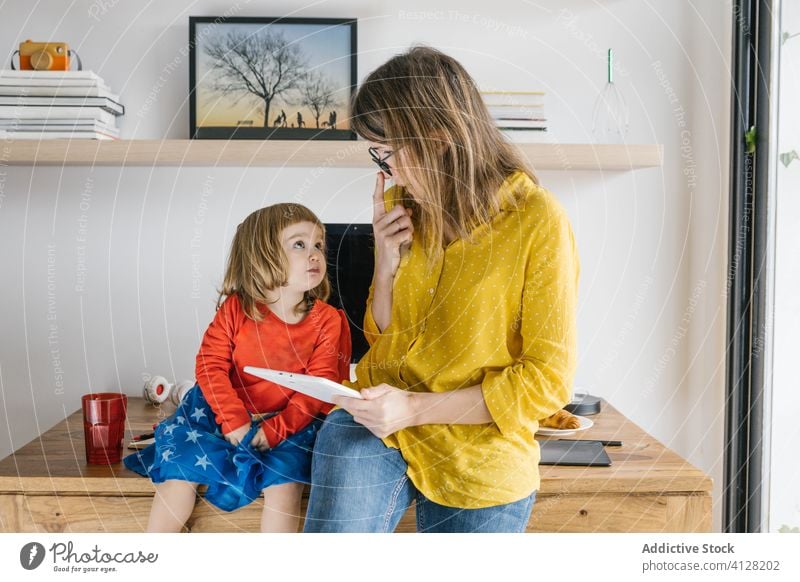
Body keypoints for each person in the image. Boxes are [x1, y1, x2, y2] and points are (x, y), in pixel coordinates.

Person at [303, 46, 580, 533]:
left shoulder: (538, 221)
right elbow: (389, 337)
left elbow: (546, 381)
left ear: (437, 137)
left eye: (387, 152)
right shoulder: (407, 206)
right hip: (380, 422)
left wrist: (413, 408)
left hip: (478, 448)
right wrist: (385, 266)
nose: (384, 170)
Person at [124, 203, 351, 532]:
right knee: (179, 472)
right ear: (262, 255)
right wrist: (233, 422)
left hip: (289, 423)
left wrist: (273, 433)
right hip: (219, 414)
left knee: (285, 486)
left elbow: (319, 390)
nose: (315, 254)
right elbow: (210, 365)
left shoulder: (328, 321)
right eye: (300, 244)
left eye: (319, 245)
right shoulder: (236, 309)